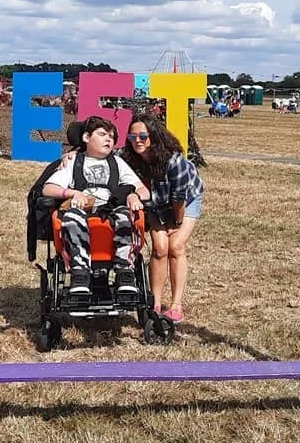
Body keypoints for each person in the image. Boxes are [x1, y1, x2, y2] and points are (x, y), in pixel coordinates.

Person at [41, 116, 150, 296]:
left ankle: (124, 272)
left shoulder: (118, 163)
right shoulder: (73, 162)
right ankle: (80, 274)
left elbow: (143, 190)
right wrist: (73, 193)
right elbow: (48, 188)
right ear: (86, 138)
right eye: (102, 134)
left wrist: (134, 195)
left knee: (125, 216)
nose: (109, 139)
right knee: (72, 217)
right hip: (82, 210)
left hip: (111, 209)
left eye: (112, 136)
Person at [122, 113, 204, 323]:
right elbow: (105, 154)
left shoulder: (174, 161)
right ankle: (155, 302)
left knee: (175, 246)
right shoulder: (129, 158)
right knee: (159, 248)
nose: (137, 141)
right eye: (132, 137)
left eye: (142, 136)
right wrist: (74, 152)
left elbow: (179, 198)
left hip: (185, 200)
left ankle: (176, 305)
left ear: (154, 136)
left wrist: (175, 223)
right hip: (156, 203)